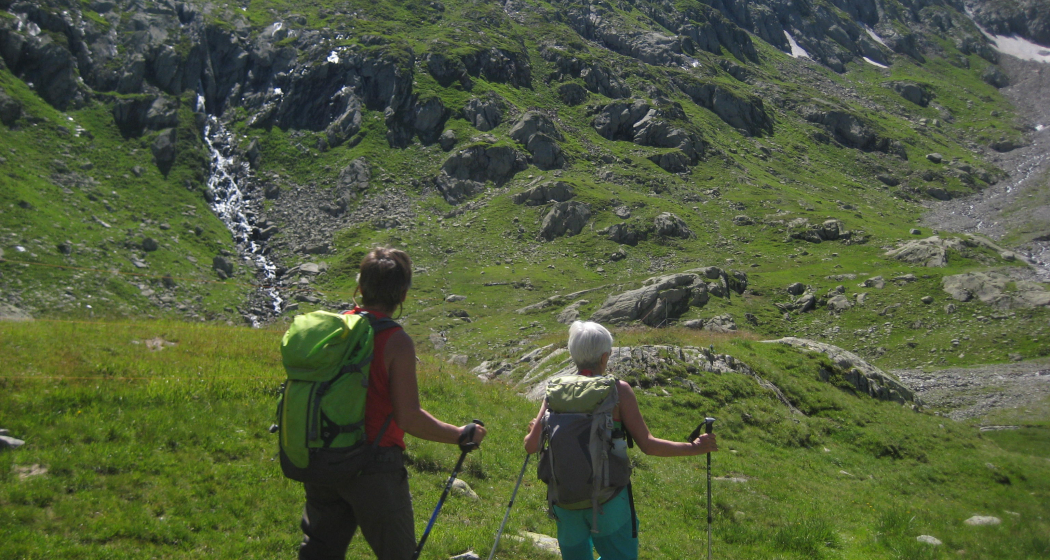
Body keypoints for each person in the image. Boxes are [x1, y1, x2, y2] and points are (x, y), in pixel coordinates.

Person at [298, 247, 486, 560]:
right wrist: (459, 434)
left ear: (359, 288)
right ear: (403, 294)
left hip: (324, 458)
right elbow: (408, 417)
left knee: (318, 552)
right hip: (374, 467)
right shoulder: (396, 341)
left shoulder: (336, 328)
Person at [522, 321, 717, 560]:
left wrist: (534, 429)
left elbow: (531, 446)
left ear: (573, 354)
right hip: (609, 500)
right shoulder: (618, 391)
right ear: (604, 357)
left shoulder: (555, 390)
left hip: (565, 500)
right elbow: (648, 444)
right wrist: (693, 447)